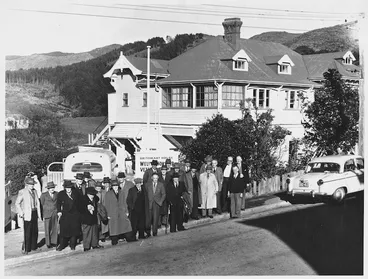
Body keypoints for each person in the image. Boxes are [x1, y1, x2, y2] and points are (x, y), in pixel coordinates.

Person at [15, 177, 42, 255]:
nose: (32, 186)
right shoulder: (22, 192)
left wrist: (39, 213)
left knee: (35, 231)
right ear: (26, 185)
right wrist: (21, 213)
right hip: (27, 214)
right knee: (28, 231)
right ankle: (26, 248)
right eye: (30, 184)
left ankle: (34, 247)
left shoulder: (35, 191)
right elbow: (17, 203)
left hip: (34, 213)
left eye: (33, 184)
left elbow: (37, 202)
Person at [104, 180, 133, 245]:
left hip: (121, 211)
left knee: (125, 225)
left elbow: (124, 202)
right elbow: (106, 205)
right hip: (113, 213)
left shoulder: (121, 192)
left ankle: (129, 238)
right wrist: (108, 214)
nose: (115, 187)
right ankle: (114, 241)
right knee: (114, 228)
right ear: (112, 187)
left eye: (116, 186)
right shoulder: (108, 194)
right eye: (114, 186)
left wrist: (126, 211)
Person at [56, 180, 82, 251]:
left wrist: (79, 213)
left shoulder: (76, 193)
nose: (68, 189)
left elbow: (80, 203)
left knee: (74, 231)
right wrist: (59, 211)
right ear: (64, 188)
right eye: (66, 187)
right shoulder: (61, 194)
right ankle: (61, 245)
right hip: (65, 215)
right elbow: (58, 204)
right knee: (63, 231)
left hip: (74, 215)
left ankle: (72, 245)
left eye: (69, 187)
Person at [79, 187, 103, 251]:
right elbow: (80, 209)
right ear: (88, 194)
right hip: (86, 219)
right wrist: (86, 207)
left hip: (93, 218)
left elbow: (97, 199)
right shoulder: (83, 199)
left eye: (93, 194)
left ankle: (94, 244)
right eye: (91, 194)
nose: (93, 195)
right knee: (86, 233)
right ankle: (86, 246)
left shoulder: (95, 198)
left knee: (94, 232)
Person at [144, 173, 166, 237]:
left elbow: (164, 194)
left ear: (158, 178)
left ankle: (154, 232)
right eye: (154, 178)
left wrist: (160, 202)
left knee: (155, 218)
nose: (155, 179)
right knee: (148, 219)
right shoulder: (147, 185)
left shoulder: (161, 185)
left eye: (156, 178)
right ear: (151, 178)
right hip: (149, 203)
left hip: (157, 203)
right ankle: (148, 232)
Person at [40, 181, 59, 248]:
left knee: (55, 228)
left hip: (54, 213)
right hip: (47, 213)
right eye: (50, 188)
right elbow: (41, 204)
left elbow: (58, 203)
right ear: (48, 189)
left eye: (53, 187)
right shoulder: (44, 195)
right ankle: (48, 243)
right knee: (47, 229)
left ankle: (54, 242)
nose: (52, 189)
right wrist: (42, 214)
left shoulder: (57, 194)